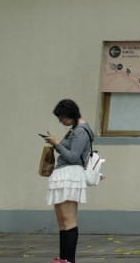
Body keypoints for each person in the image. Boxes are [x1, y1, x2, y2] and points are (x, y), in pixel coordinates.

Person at [43, 99, 94, 263]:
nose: (61, 121)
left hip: (70, 176)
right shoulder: (75, 129)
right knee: (63, 221)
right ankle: (64, 258)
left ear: (70, 115)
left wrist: (57, 144)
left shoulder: (80, 131)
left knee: (68, 220)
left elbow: (73, 157)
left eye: (62, 117)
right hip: (64, 176)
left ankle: (68, 259)